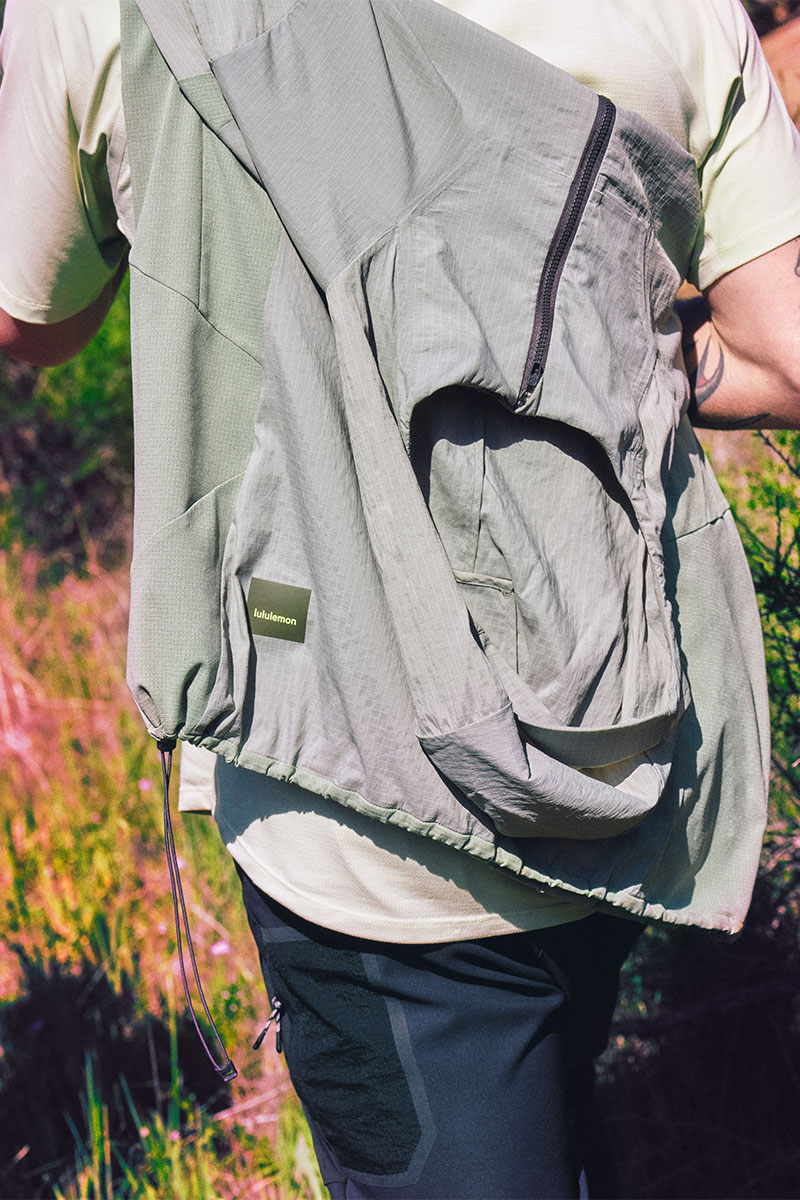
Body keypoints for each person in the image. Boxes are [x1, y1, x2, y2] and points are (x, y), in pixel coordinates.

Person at [3, 2, 800, 1196]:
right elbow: (780, 354)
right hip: (618, 737)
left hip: (351, 809)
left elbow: (32, 313)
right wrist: (587, 349)